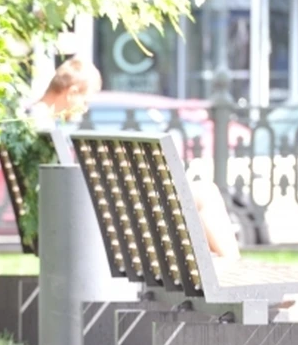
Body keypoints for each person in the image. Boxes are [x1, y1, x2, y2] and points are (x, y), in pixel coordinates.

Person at [29, 56, 242, 260]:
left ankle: (227, 269)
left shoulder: (35, 118)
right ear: (72, 92)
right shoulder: (42, 122)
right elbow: (68, 184)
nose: (84, 109)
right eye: (85, 101)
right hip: (95, 219)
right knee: (205, 193)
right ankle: (235, 271)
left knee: (200, 194)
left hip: (81, 214)